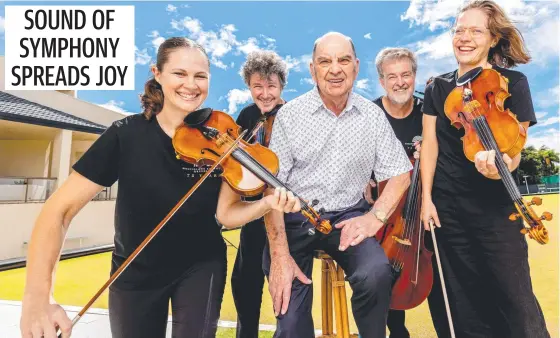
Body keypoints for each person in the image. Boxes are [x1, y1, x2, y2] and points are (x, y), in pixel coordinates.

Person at [19, 37, 299, 338]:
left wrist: (267, 204)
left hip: (202, 266)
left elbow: (227, 215)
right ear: (158, 73)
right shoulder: (125, 134)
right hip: (135, 271)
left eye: (200, 76)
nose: (190, 85)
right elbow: (58, 211)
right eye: (180, 73)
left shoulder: (221, 136)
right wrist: (38, 297)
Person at [262, 31, 413, 338]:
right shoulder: (290, 115)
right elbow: (271, 187)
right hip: (293, 220)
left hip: (348, 216)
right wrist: (279, 255)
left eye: (343, 60)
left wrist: (375, 217)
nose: (335, 69)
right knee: (291, 327)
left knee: (376, 274)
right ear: (312, 69)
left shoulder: (372, 115)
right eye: (325, 61)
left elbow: (400, 173)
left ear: (356, 66)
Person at [420, 1, 550, 337]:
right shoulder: (437, 87)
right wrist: (426, 199)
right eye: (459, 30)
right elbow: (430, 145)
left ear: (492, 39)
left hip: (495, 208)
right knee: (464, 301)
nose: (464, 37)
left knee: (514, 297)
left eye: (475, 31)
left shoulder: (512, 83)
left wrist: (501, 166)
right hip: (447, 207)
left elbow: (515, 146)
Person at [364, 47, 424, 338]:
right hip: (388, 212)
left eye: (406, 75)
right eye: (392, 77)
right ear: (381, 81)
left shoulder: (430, 113)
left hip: (428, 208)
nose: (400, 82)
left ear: (414, 76)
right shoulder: (369, 116)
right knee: (386, 271)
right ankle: (397, 332)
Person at [230, 50, 288, 338]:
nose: (265, 94)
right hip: (254, 209)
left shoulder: (293, 115)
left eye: (271, 86)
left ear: (281, 87)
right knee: (244, 281)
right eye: (258, 86)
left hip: (285, 213)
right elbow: (236, 159)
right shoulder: (247, 116)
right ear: (249, 87)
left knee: (285, 283)